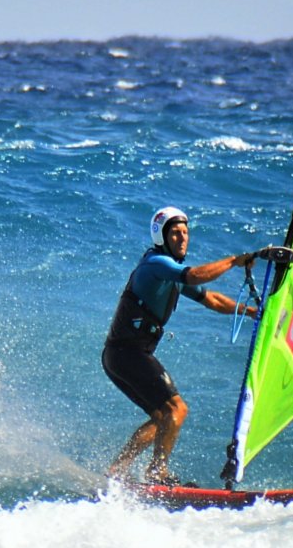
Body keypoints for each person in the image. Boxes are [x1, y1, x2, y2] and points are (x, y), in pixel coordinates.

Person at [102, 206, 257, 485]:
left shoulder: (170, 273)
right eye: (175, 233)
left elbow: (211, 299)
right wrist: (234, 261)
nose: (183, 238)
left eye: (186, 232)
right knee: (177, 409)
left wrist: (249, 311)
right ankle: (157, 473)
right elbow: (195, 275)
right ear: (161, 237)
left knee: (162, 417)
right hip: (126, 353)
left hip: (124, 354)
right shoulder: (157, 264)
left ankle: (116, 471)